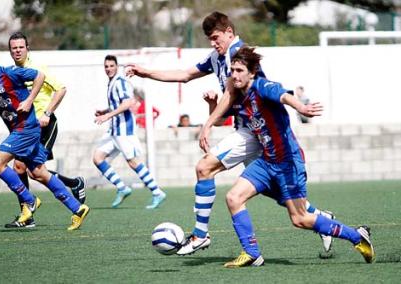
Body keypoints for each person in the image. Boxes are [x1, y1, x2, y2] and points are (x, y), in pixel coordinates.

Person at [126, 11, 334, 256]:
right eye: (210, 39)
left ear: (229, 32)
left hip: (254, 131)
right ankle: (319, 218)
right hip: (251, 130)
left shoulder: (239, 55)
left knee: (204, 168)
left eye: (216, 37)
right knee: (273, 189)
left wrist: (208, 124)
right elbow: (185, 75)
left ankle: (200, 235)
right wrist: (146, 73)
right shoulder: (217, 56)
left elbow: (230, 95)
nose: (214, 43)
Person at [200, 46, 375, 267]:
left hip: (287, 163)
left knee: (300, 219)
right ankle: (252, 253)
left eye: (239, 70)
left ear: (252, 72)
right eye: (232, 70)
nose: (234, 74)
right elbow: (219, 118)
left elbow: (283, 95)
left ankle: (356, 236)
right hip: (266, 162)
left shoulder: (262, 86)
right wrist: (211, 107)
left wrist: (302, 107)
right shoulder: (240, 97)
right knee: (234, 198)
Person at [0, 39, 89, 230]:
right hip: (17, 129)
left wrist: (29, 100)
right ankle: (77, 208)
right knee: (38, 172)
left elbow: (40, 75)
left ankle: (29, 200)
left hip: (27, 128)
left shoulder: (10, 72)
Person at [93, 55, 166, 209]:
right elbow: (118, 105)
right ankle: (122, 188)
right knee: (98, 158)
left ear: (117, 67)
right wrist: (105, 111)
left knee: (133, 162)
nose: (108, 69)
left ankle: (157, 192)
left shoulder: (121, 82)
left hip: (124, 129)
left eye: (111, 66)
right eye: (106, 66)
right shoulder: (111, 83)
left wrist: (107, 115)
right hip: (114, 130)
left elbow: (128, 103)